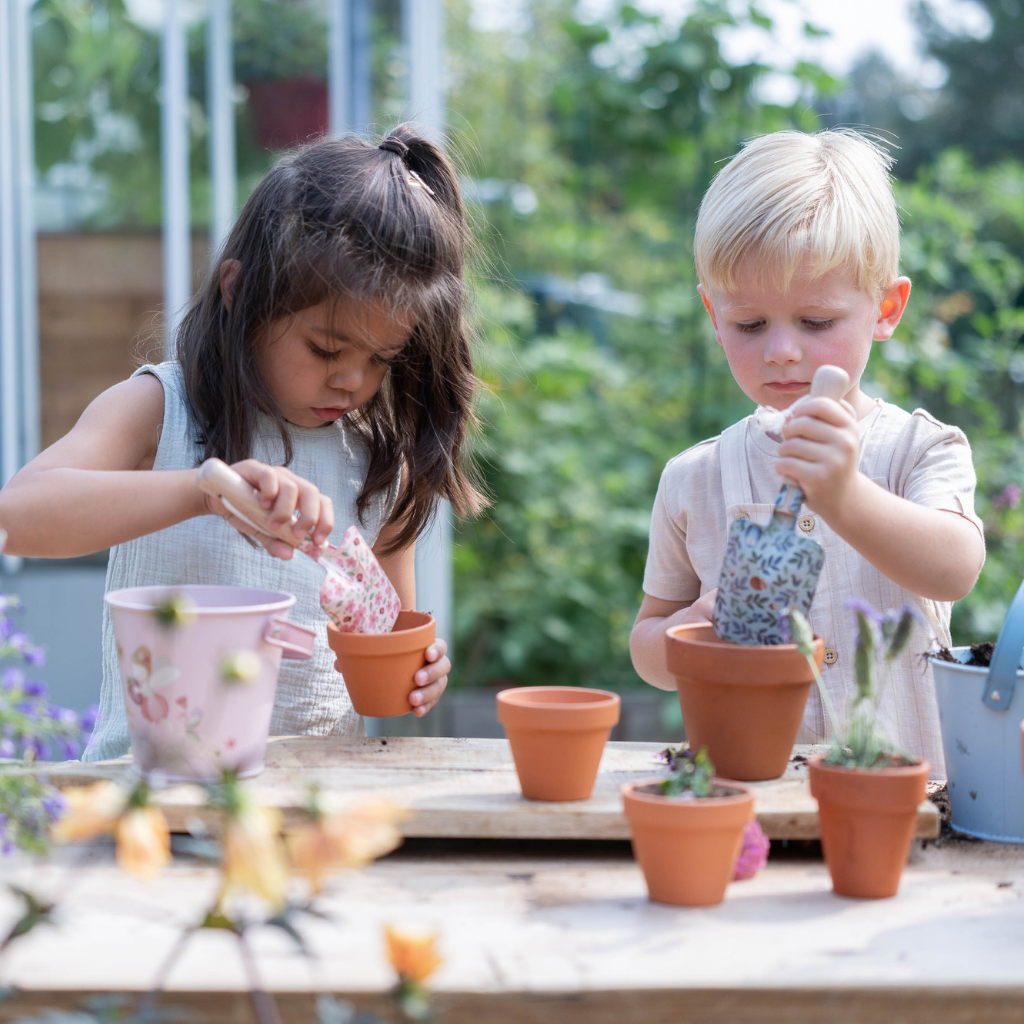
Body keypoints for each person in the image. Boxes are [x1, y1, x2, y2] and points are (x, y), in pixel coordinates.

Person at [0, 125, 485, 760]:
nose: (352, 379)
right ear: (239, 292)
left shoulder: (373, 463)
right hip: (153, 798)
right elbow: (17, 519)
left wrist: (416, 671)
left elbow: (379, 649)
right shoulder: (160, 410)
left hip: (311, 811)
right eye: (326, 349)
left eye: (382, 358)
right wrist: (203, 491)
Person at [629, 130, 985, 775]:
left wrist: (846, 496)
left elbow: (956, 568)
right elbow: (647, 646)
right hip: (747, 792)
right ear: (714, 314)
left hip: (905, 797)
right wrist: (695, 629)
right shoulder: (696, 477)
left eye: (816, 322)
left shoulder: (920, 449)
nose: (783, 351)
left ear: (886, 308)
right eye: (749, 324)